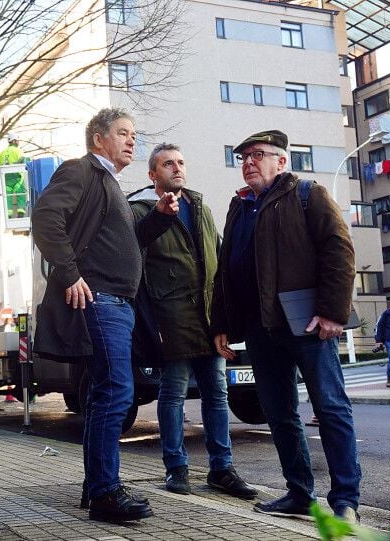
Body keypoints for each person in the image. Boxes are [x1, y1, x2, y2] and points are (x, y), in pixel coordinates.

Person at [210, 130, 362, 523]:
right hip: (261, 330)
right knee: (279, 414)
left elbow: (339, 251)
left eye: (257, 155)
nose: (248, 163)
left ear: (281, 161)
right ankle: (299, 494)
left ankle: (345, 502)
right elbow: (226, 270)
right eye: (242, 157)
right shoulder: (239, 207)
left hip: (307, 323)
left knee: (330, 408)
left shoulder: (307, 195)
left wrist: (333, 312)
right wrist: (222, 323)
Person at [32, 107, 161, 523]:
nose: (132, 140)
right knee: (115, 394)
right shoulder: (82, 171)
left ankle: (96, 489)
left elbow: (122, 243)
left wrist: (158, 219)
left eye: (134, 134)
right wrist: (69, 274)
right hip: (101, 300)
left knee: (105, 394)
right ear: (98, 139)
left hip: (119, 303)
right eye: (123, 133)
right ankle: (106, 492)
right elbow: (45, 217)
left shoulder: (111, 185)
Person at [128, 143, 257, 500]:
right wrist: (151, 327)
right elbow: (136, 272)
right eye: (168, 164)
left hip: (209, 319)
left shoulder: (200, 207)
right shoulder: (141, 212)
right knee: (172, 396)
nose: (177, 168)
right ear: (153, 175)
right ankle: (177, 469)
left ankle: (222, 470)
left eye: (181, 162)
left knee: (217, 395)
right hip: (170, 321)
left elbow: (219, 264)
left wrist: (226, 319)